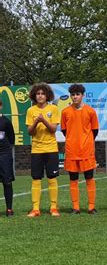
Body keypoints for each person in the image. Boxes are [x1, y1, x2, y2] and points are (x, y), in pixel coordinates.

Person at [61, 84, 99, 214]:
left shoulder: (90, 111)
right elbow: (64, 131)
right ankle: (75, 207)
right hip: (72, 150)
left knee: (89, 177)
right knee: (73, 178)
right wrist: (73, 140)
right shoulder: (65, 112)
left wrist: (85, 141)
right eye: (73, 94)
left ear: (83, 95)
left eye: (77, 94)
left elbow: (95, 131)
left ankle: (91, 207)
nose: (75, 97)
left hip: (86, 150)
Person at [25, 82, 61, 217]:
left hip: (51, 148)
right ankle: (35, 209)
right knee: (36, 178)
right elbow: (29, 131)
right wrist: (36, 121)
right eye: (38, 94)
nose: (40, 96)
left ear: (47, 96)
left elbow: (53, 129)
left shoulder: (53, 109)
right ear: (35, 96)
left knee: (52, 177)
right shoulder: (31, 111)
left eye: (42, 94)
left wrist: (43, 120)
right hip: (36, 149)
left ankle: (53, 207)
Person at [0, 98, 15, 216]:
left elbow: (11, 139)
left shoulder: (6, 122)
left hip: (4, 154)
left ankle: (9, 209)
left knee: (7, 181)